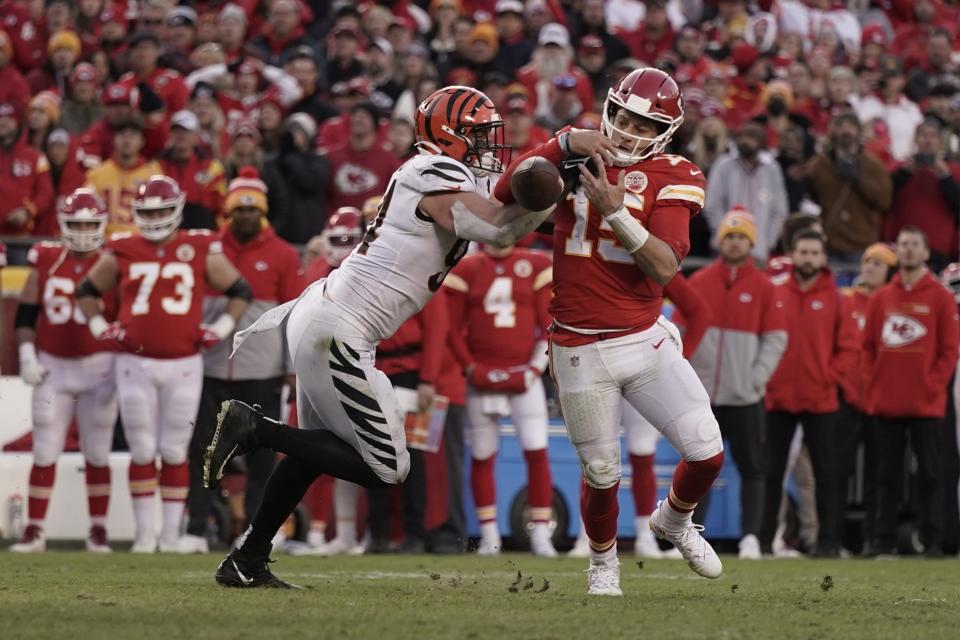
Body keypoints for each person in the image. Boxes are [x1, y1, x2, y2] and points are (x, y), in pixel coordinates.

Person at [200, 85, 589, 588]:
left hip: (328, 316)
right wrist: (558, 159)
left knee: (312, 451)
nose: (488, 144)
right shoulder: (432, 170)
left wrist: (565, 180)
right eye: (477, 134)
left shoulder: (443, 171)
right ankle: (255, 430)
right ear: (449, 135)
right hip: (339, 327)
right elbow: (498, 229)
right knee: (387, 466)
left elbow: (514, 210)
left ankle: (247, 560)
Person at [494, 67, 724, 596]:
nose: (626, 130)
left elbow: (664, 266)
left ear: (663, 131)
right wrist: (563, 143)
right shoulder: (576, 148)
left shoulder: (675, 173)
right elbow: (510, 190)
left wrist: (615, 211)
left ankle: (674, 520)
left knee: (707, 451)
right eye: (621, 116)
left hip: (643, 338)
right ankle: (602, 564)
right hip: (577, 343)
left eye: (643, 123)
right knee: (601, 471)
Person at [76, 175, 252, 553]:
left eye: (161, 211)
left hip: (183, 363)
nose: (154, 219)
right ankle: (144, 536)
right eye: (148, 212)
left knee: (174, 450)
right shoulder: (123, 247)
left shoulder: (199, 244)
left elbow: (240, 290)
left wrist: (220, 327)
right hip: (134, 363)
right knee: (141, 449)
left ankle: (170, 535)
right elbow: (87, 290)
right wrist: (97, 324)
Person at [178, 170, 303, 554]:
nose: (246, 215)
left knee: (263, 458)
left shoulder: (282, 253)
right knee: (203, 450)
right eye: (239, 209)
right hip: (213, 367)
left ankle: (255, 530)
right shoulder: (210, 249)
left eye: (253, 209)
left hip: (261, 370)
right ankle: (197, 527)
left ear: (262, 211)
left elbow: (294, 316)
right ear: (229, 211)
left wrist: (290, 367)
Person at [9, 190, 117, 553]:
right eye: (77, 223)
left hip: (99, 367)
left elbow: (123, 317)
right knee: (44, 451)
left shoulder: (112, 261)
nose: (84, 230)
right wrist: (26, 352)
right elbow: (26, 313)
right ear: (62, 225)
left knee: (98, 452)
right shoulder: (47, 258)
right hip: (54, 366)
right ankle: (35, 529)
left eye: (90, 223)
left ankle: (98, 529)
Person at [679, 209, 788, 559]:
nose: (735, 242)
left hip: (744, 398)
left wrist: (754, 381)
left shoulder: (765, 288)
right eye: (730, 236)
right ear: (720, 240)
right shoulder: (700, 281)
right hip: (702, 395)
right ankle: (690, 535)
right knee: (699, 467)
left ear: (751, 243)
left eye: (742, 236)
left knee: (753, 467)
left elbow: (775, 340)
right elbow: (679, 331)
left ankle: (751, 537)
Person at [443, 243, 557, 557]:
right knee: (482, 454)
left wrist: (535, 368)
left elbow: (548, 324)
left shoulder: (533, 263)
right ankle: (490, 535)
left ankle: (541, 534)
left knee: (536, 451)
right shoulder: (467, 267)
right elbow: (451, 328)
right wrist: (469, 366)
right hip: (483, 374)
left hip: (523, 375)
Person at [760, 230, 859, 557]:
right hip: (779, 396)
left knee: (826, 473)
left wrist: (827, 379)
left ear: (823, 257)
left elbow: (849, 348)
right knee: (771, 472)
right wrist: (767, 378)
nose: (808, 258)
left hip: (820, 399)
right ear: (793, 254)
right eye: (803, 251)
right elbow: (762, 340)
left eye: (814, 252)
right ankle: (762, 541)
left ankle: (828, 541)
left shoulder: (836, 298)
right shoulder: (775, 294)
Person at [863, 227, 959, 557]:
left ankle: (933, 540)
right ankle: (882, 540)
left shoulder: (941, 298)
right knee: (885, 475)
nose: (907, 250)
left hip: (927, 404)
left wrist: (933, 386)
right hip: (887, 402)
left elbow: (949, 350)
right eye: (903, 244)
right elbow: (867, 348)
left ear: (926, 253)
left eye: (914, 245)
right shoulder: (881, 298)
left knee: (932, 474)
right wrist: (875, 382)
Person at [838, 242, 897, 555]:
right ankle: (832, 539)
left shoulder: (892, 305)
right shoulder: (846, 301)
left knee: (880, 472)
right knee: (837, 469)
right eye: (868, 261)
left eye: (879, 263)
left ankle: (876, 539)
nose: (871, 267)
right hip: (847, 396)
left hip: (880, 398)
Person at [805, 111, 893, 259]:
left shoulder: (873, 165)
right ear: (833, 131)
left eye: (851, 126)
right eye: (841, 126)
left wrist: (859, 180)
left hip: (862, 244)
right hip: (830, 243)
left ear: (858, 131)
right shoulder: (820, 164)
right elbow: (809, 195)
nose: (846, 131)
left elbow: (884, 201)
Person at [703, 121, 789, 263]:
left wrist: (768, 241)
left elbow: (780, 210)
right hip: (725, 248)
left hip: (759, 249)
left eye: (751, 137)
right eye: (741, 137)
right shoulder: (724, 165)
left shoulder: (772, 169)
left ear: (761, 142)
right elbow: (712, 205)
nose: (744, 141)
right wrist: (723, 235)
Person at [883, 118, 960, 271]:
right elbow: (883, 199)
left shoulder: (954, 171)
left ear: (940, 141)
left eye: (933, 136)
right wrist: (904, 173)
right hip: (902, 246)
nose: (928, 141)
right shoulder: (899, 167)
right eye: (924, 136)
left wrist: (946, 178)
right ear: (916, 140)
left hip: (939, 247)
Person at [84, 119, 162, 233]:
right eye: (122, 135)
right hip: (105, 243)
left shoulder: (154, 176)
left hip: (140, 242)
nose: (127, 140)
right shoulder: (96, 174)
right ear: (114, 140)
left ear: (142, 141)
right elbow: (85, 210)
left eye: (132, 135)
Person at [158, 110, 226, 230]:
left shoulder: (212, 167)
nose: (181, 135)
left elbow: (221, 206)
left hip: (204, 232)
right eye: (177, 131)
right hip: (167, 231)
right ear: (170, 135)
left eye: (186, 131)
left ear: (196, 136)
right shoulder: (157, 166)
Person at [0, 100, 54, 245]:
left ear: (18, 123)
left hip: (21, 237)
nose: (3, 122)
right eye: (0, 118)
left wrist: (28, 212)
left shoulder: (36, 157)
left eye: (9, 118)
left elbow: (46, 194)